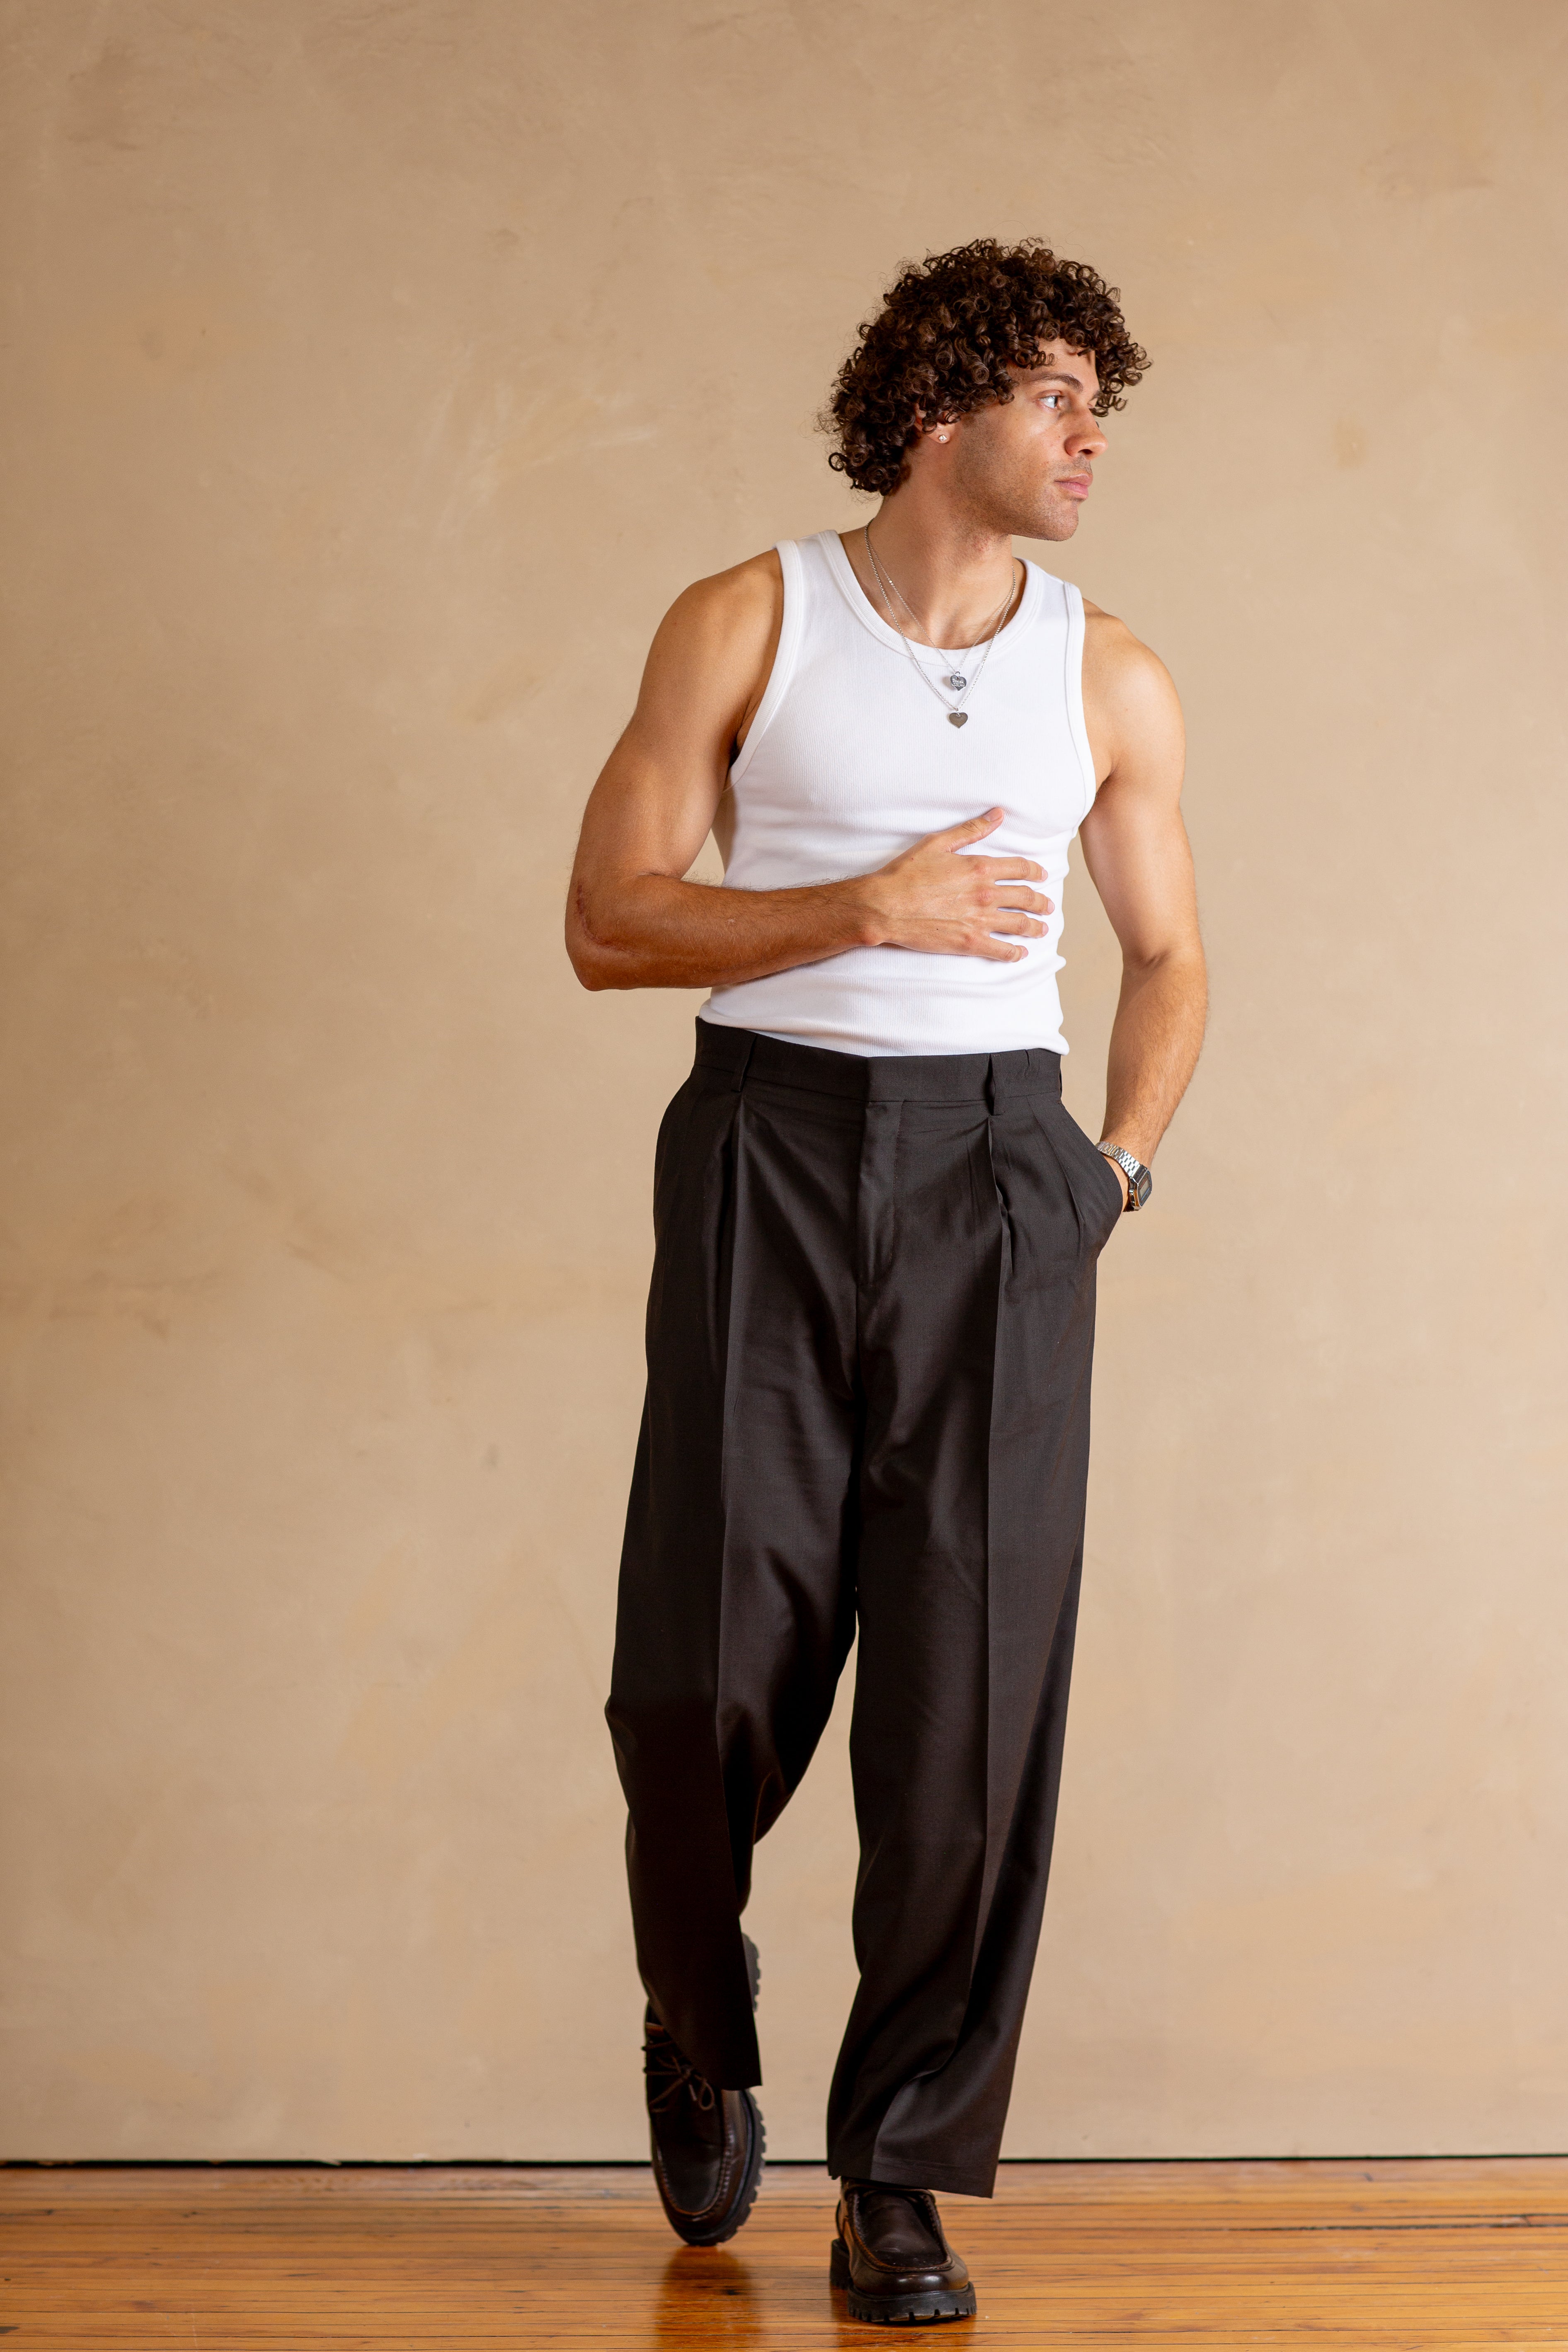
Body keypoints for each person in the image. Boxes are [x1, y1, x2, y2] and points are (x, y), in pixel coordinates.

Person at [565, 237, 1206, 2328]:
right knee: (701, 1665)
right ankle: (694, 2006)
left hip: (1003, 1181)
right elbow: (605, 923)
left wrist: (1105, 1176)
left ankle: (896, 2175)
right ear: (939, 404)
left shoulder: (1109, 672)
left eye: (1097, 399)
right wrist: (865, 903)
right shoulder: (750, 616)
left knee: (969, 1700)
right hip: (767, 1140)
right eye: (1052, 395)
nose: (1088, 433)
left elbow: (1170, 957)